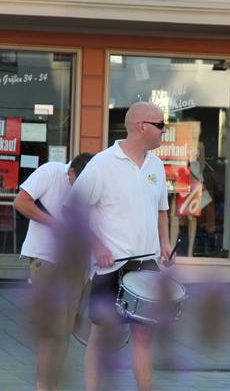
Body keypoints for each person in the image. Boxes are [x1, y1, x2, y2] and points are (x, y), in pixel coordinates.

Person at [67, 101, 174, 391]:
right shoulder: (102, 163)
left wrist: (165, 243)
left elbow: (162, 210)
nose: (164, 131)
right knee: (101, 336)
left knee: (144, 337)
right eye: (160, 125)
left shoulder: (156, 165)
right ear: (141, 126)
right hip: (111, 266)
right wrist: (98, 246)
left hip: (147, 266)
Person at [14, 151, 94, 391]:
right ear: (71, 172)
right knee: (52, 329)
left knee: (65, 330)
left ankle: (53, 384)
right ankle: (43, 385)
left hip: (77, 264)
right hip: (46, 259)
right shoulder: (51, 171)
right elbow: (21, 202)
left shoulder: (95, 181)